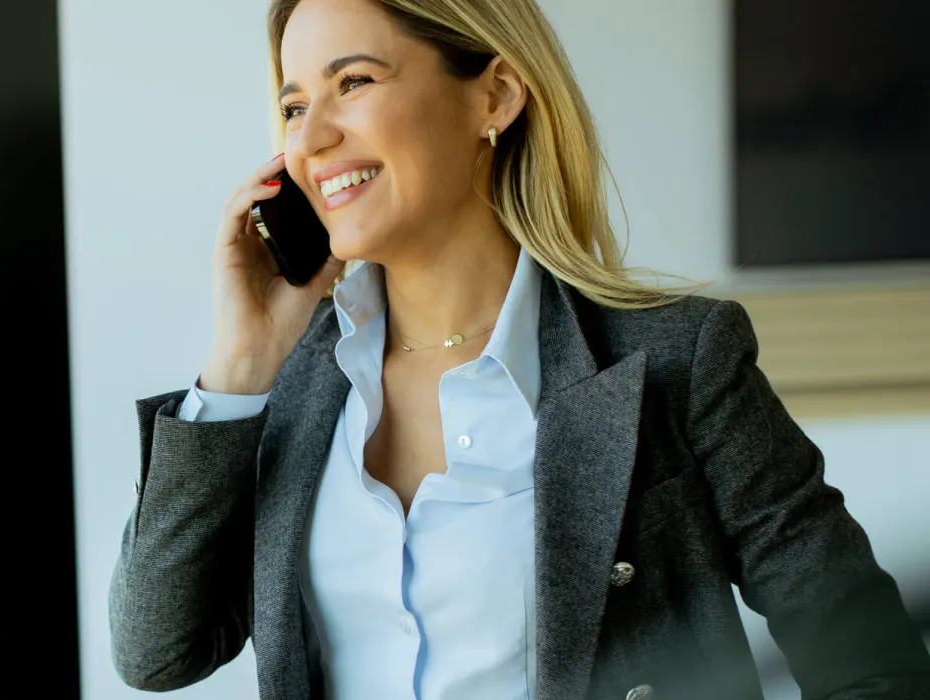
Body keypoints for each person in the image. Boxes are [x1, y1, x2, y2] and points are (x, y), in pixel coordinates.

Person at [107, 0, 930, 698]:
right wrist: (243, 366)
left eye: (353, 83)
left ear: (495, 94)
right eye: (292, 107)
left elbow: (869, 662)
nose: (311, 139)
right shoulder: (288, 389)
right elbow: (156, 652)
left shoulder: (677, 358)